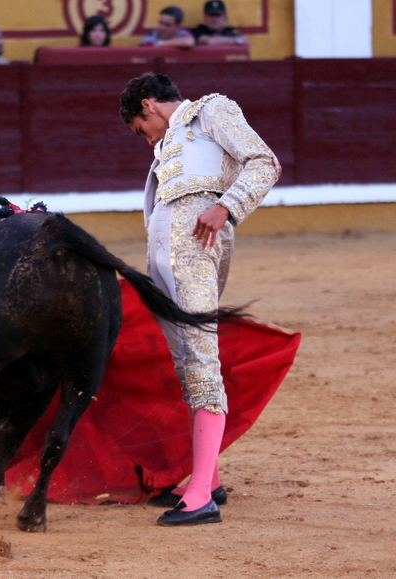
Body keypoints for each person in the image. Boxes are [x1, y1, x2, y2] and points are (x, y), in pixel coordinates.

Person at [119, 73, 280, 526]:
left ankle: (202, 500)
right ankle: (206, 480)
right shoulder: (167, 148)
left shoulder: (211, 110)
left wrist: (226, 205)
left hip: (195, 249)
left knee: (201, 361)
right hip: (165, 258)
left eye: (139, 128)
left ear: (148, 105)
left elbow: (264, 162)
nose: (144, 138)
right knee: (188, 363)